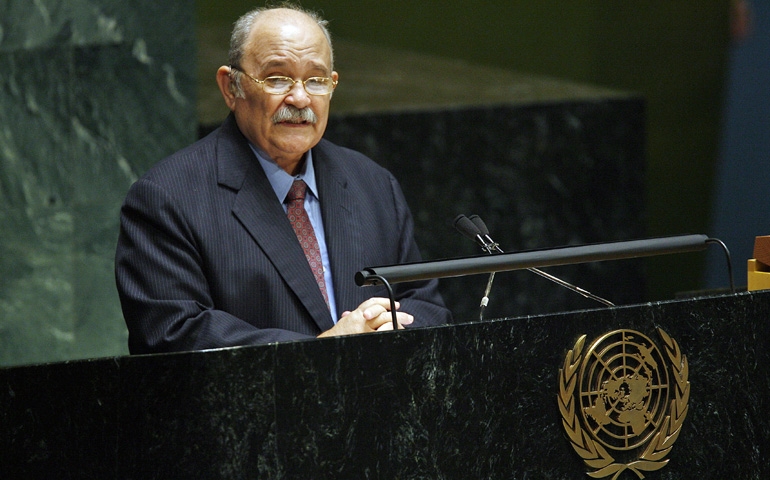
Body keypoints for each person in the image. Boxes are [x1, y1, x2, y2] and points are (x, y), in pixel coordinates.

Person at [114, 3, 451, 354]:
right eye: (277, 78)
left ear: (333, 86)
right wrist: (324, 351)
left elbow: (424, 304)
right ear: (232, 87)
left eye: (316, 80)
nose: (301, 97)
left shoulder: (373, 184)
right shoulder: (167, 197)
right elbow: (174, 333)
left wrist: (384, 330)